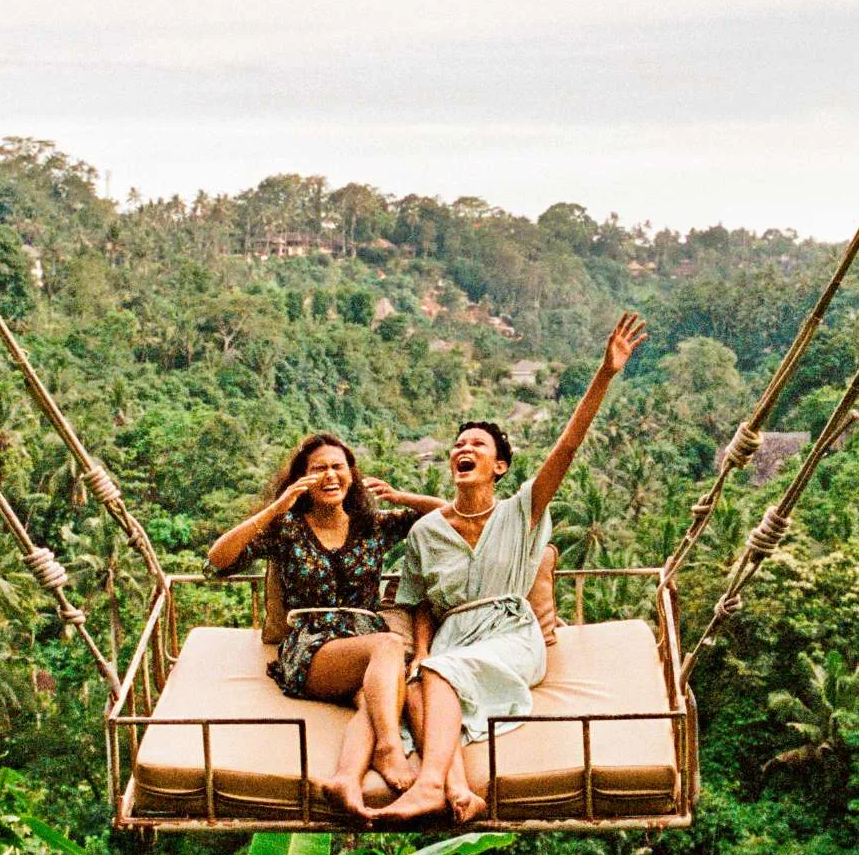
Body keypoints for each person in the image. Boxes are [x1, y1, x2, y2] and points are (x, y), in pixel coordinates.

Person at [381, 312, 648, 824]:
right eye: (459, 446)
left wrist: (606, 373)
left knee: (439, 674)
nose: (464, 449)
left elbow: (567, 445)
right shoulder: (426, 533)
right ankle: (459, 792)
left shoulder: (522, 512)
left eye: (477, 445)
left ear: (499, 466)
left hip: (508, 632)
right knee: (418, 682)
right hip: (450, 641)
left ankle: (431, 782)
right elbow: (414, 604)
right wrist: (418, 653)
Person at [206, 434, 442, 819]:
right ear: (302, 479)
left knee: (373, 699)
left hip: (361, 646)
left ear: (352, 476)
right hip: (312, 645)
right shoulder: (288, 529)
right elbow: (218, 559)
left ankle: (346, 778)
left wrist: (403, 498)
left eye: (338, 467)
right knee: (388, 647)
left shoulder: (373, 526)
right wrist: (277, 508)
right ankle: (389, 748)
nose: (330, 476)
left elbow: (457, 515)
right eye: (319, 469)